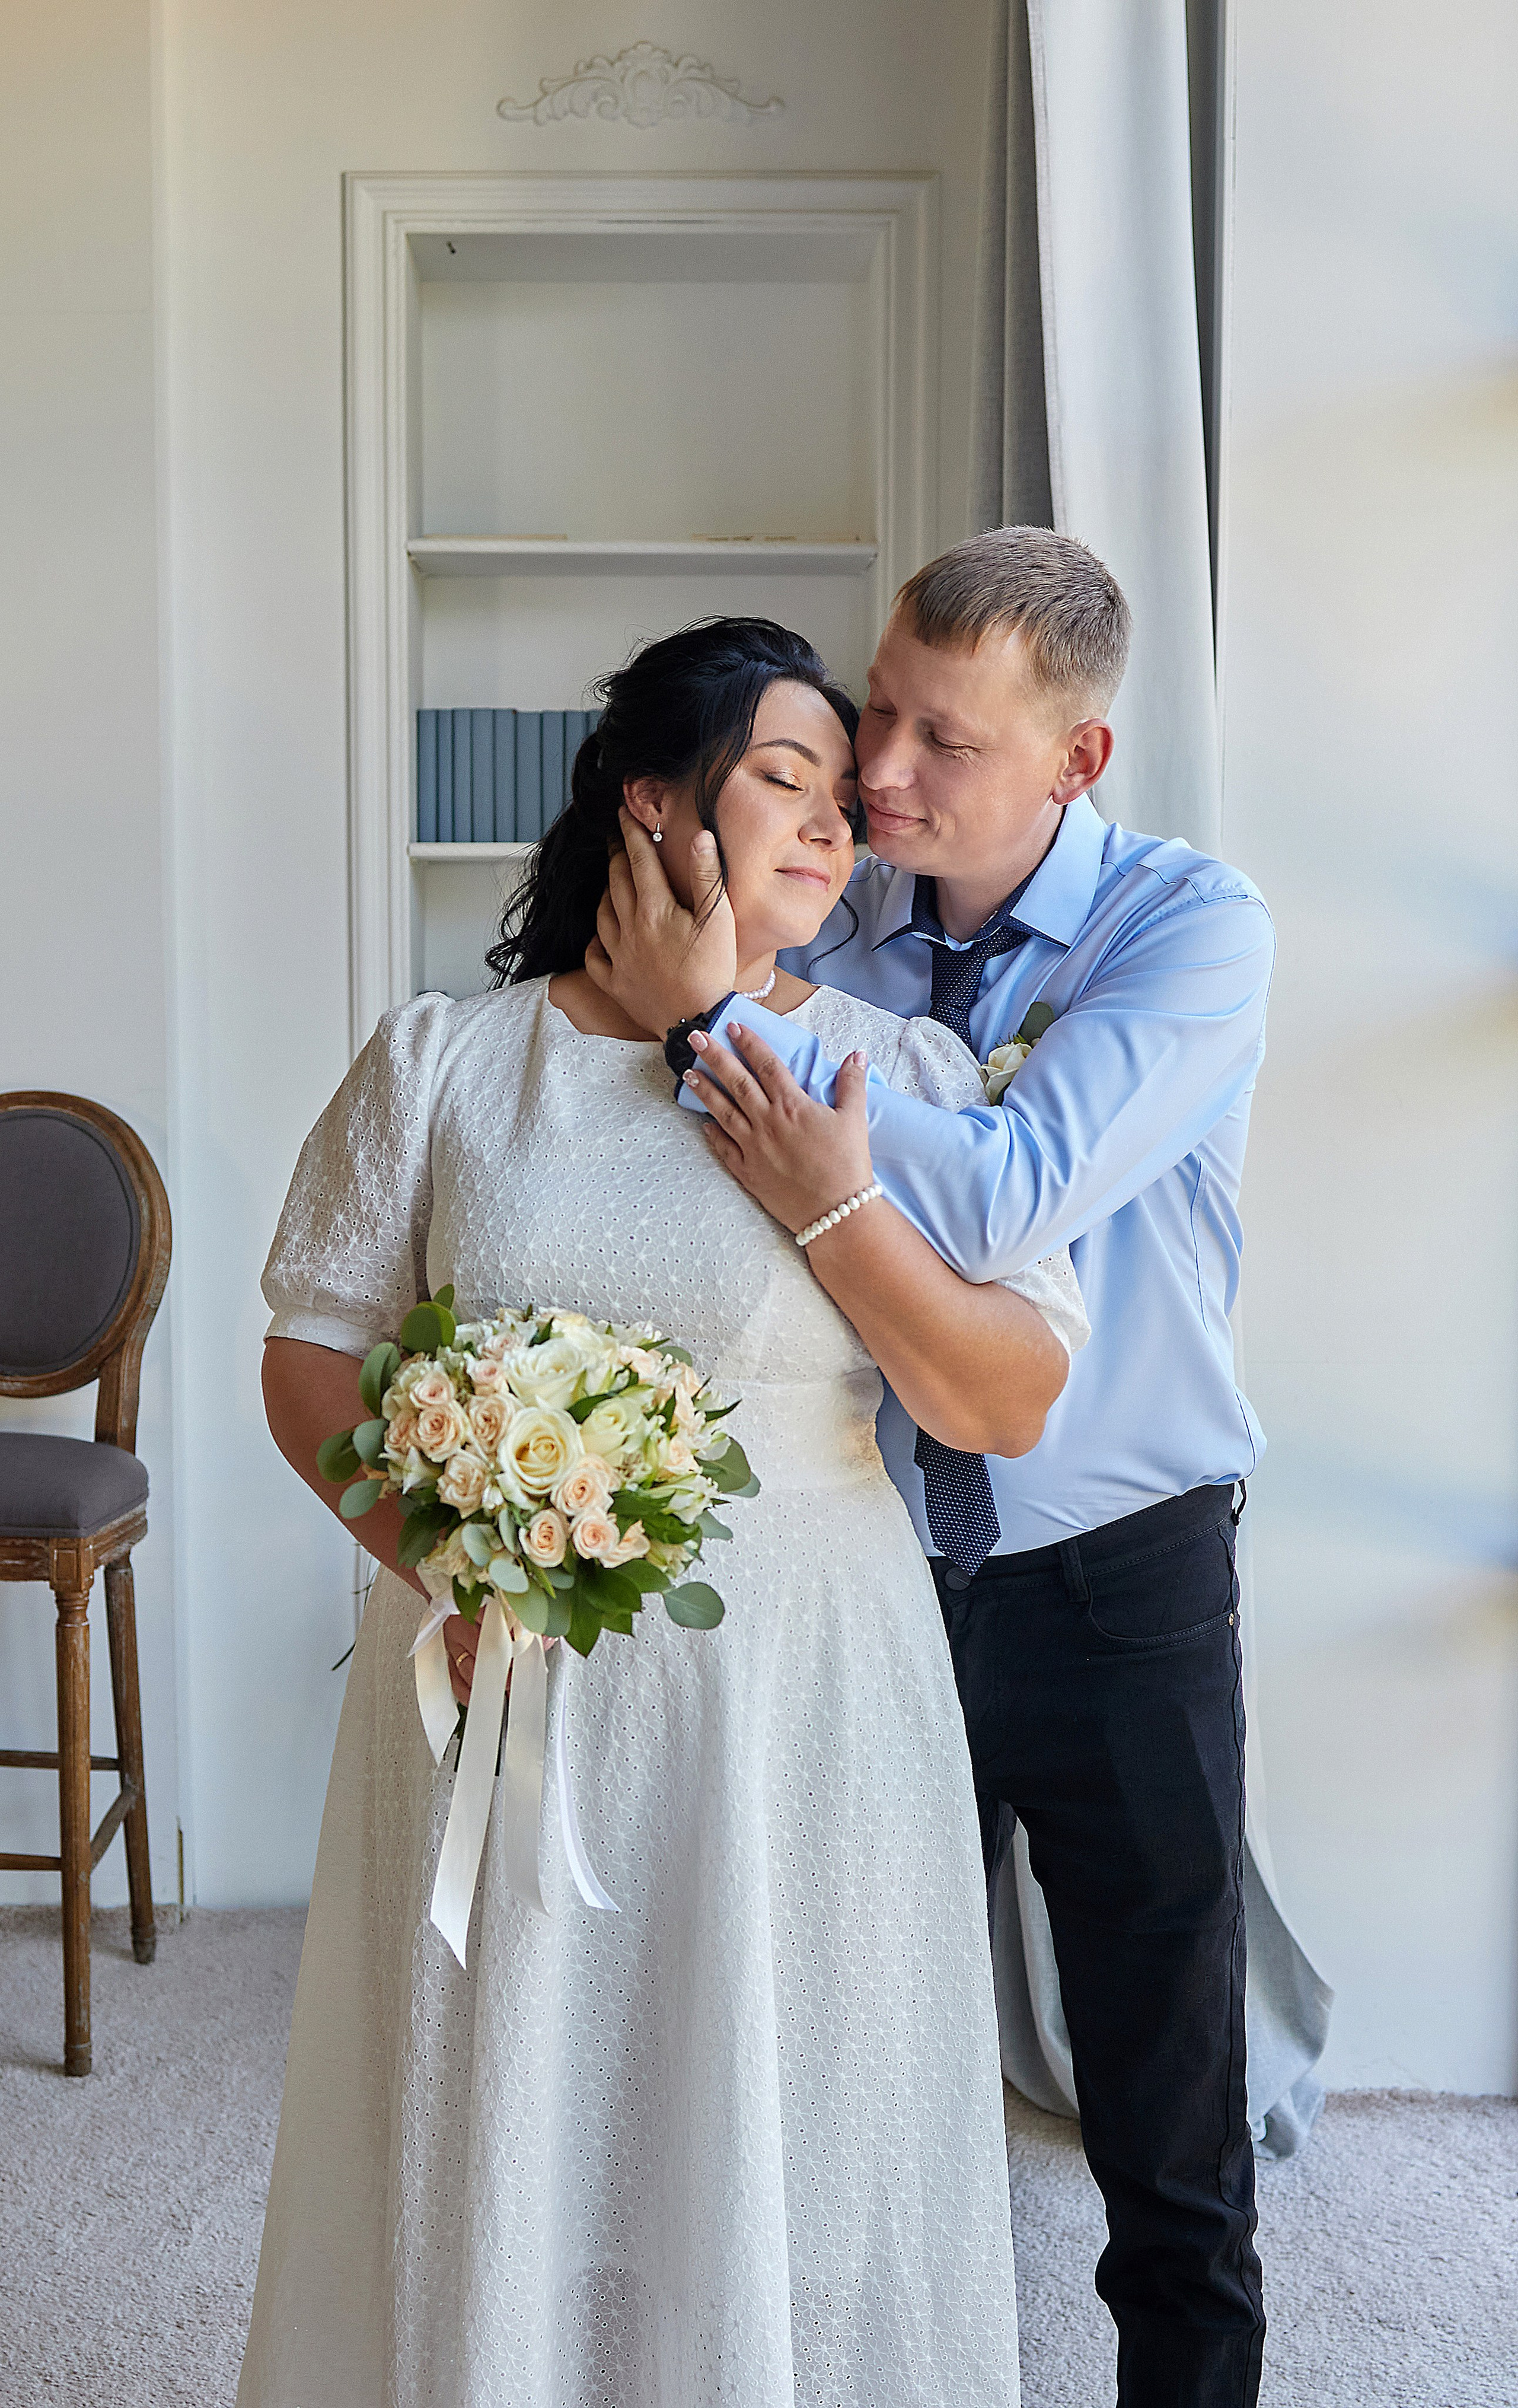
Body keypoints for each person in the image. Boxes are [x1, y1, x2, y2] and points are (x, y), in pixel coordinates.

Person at [238, 618, 1089, 2408]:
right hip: (496, 1685)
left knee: (783, 2127)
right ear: (650, 801)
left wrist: (820, 1180)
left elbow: (1002, 1396)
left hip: (805, 1685)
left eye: (838, 801)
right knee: (508, 2122)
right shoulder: (445, 1068)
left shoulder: (898, 1078)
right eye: (786, 776)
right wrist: (446, 1556)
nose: (834, 823)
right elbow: (310, 1364)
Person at [586, 530, 1278, 2408]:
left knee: (1166, 2113)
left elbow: (1024, 1188)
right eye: (878, 707)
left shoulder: (1192, 931)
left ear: (1078, 762)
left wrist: (734, 1030)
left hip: (1125, 1576)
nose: (879, 771)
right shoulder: (845, 925)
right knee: (842, 2068)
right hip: (873, 1573)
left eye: (942, 741)